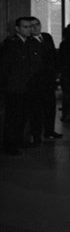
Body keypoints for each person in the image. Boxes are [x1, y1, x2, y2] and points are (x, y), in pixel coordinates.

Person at [0, 17, 43, 154]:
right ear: (17, 28)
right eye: (25, 27)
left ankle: (19, 141)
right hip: (15, 87)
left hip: (30, 87)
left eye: (30, 27)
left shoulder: (32, 43)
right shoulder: (10, 44)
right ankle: (10, 144)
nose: (29, 29)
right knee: (13, 117)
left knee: (24, 116)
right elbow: (6, 68)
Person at [29, 17, 62, 139]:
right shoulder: (28, 41)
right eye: (32, 25)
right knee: (37, 110)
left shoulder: (47, 37)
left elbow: (53, 55)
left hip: (49, 79)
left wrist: (57, 72)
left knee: (50, 107)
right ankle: (36, 134)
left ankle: (49, 131)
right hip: (37, 81)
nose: (36, 27)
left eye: (37, 24)